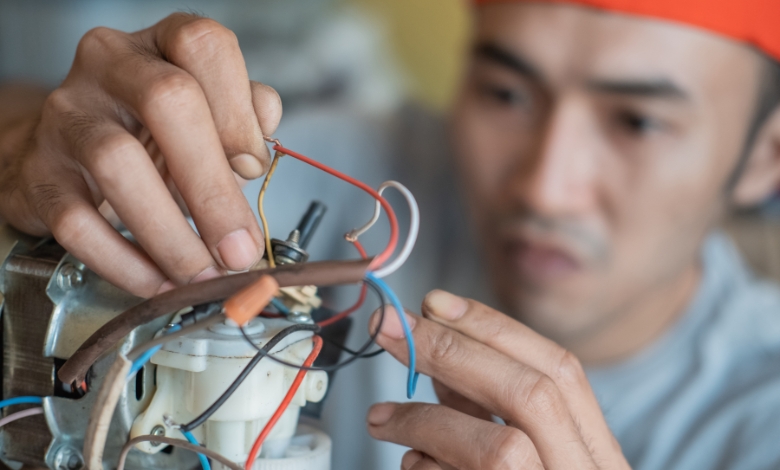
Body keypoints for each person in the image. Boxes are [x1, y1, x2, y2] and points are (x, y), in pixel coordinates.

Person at [2, 1, 780, 470]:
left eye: (637, 121)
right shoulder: (367, 178)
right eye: (507, 92)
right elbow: (85, 148)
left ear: (764, 157)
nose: (546, 185)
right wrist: (28, 152)